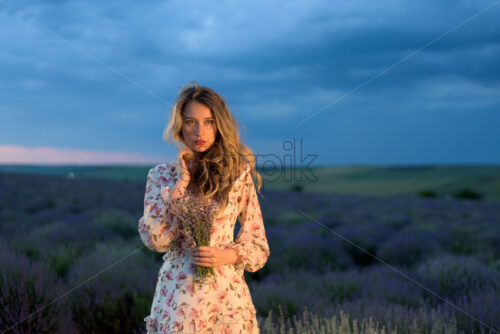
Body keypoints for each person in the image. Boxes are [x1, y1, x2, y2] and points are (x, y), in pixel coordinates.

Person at [138, 81, 270, 333]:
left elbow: (258, 246)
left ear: (219, 125)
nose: (200, 131)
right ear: (180, 126)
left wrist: (227, 255)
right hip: (178, 300)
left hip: (227, 303)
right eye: (191, 122)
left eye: (209, 122)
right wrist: (180, 185)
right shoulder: (160, 176)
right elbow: (158, 241)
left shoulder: (237, 174)